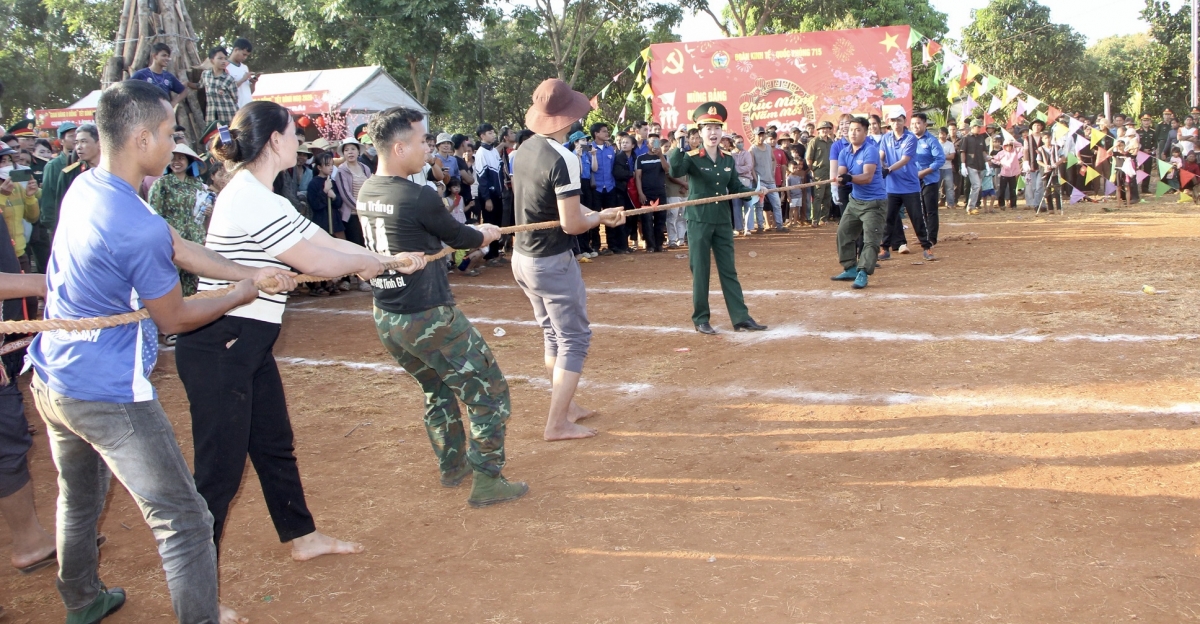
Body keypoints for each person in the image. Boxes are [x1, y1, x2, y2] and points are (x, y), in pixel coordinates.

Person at [30, 79, 298, 624]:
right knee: (185, 518)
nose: (175, 142)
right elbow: (174, 317)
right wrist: (245, 291)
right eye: (169, 132)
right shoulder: (133, 223)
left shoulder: (89, 188)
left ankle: (82, 599)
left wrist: (249, 274)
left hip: (54, 378)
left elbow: (178, 247)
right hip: (108, 393)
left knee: (79, 497)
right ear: (141, 138)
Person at [177, 101, 415, 620]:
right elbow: (314, 261)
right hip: (223, 343)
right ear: (274, 143)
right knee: (218, 474)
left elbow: (323, 241)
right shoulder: (252, 198)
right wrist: (372, 264)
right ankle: (197, 601)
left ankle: (302, 535)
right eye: (293, 133)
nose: (298, 141)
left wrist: (381, 257)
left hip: (245, 341)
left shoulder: (261, 194)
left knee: (273, 444)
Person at [355, 106, 525, 504]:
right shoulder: (417, 195)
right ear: (399, 148)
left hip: (389, 315)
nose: (427, 147)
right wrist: (484, 233)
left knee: (436, 388)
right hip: (428, 314)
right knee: (488, 392)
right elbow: (462, 237)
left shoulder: (368, 189)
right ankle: (488, 480)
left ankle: (452, 465)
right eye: (421, 141)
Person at [510, 79, 625, 440]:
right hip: (552, 261)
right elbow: (572, 223)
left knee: (553, 334)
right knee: (574, 338)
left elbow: (562, 208)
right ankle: (557, 422)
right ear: (568, 117)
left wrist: (598, 214)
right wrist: (597, 218)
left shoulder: (525, 149)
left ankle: (567, 406)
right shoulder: (565, 158)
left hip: (523, 258)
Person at [668, 102, 767, 335]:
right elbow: (674, 171)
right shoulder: (691, 157)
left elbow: (734, 188)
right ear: (699, 132)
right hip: (699, 220)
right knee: (701, 270)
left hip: (722, 221)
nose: (713, 133)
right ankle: (701, 318)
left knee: (728, 270)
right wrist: (676, 144)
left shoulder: (727, 159)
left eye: (716, 127)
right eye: (707, 128)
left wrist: (753, 192)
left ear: (722, 131)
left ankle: (741, 317)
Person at [830, 116, 886, 290]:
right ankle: (850, 267)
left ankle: (863, 272)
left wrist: (849, 178)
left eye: (857, 130)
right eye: (850, 129)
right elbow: (842, 174)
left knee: (870, 240)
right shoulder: (844, 152)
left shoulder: (871, 151)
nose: (852, 133)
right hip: (855, 201)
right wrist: (840, 179)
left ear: (865, 132)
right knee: (843, 233)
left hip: (874, 202)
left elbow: (867, 177)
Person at [147, 144, 209, 297]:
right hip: (172, 241)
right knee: (171, 283)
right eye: (173, 158)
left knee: (194, 284)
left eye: (181, 158)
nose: (176, 162)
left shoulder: (197, 185)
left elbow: (201, 212)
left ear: (189, 162)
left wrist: (208, 211)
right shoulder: (161, 184)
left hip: (195, 240)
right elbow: (155, 215)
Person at [878, 107, 931, 261]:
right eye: (893, 120)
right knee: (889, 218)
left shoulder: (910, 138)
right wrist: (879, 165)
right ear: (889, 122)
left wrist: (887, 169)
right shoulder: (886, 138)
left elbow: (905, 159)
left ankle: (927, 247)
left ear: (904, 121)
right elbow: (880, 155)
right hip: (891, 186)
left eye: (899, 120)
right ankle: (884, 248)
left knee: (917, 218)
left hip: (909, 186)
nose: (896, 123)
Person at [910, 112, 944, 256]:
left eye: (918, 123)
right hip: (913, 179)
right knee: (919, 209)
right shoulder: (909, 139)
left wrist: (925, 172)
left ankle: (932, 238)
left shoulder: (931, 140)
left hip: (929, 179)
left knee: (930, 210)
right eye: (912, 124)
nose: (915, 126)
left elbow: (940, 159)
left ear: (924, 124)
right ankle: (922, 237)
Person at [332, 136, 372, 258]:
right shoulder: (341, 170)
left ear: (358, 151)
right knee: (356, 246)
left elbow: (370, 187)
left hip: (367, 213)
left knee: (368, 245)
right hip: (352, 215)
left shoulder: (365, 168)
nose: (350, 152)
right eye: (347, 150)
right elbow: (345, 194)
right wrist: (360, 208)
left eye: (353, 149)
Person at [473, 123, 505, 263]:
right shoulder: (481, 152)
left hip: (497, 193)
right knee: (489, 224)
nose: (493, 135)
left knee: (497, 224)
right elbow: (482, 178)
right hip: (489, 195)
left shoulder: (493, 151)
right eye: (490, 133)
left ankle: (496, 252)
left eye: (493, 132)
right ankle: (489, 255)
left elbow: (500, 171)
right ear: (482, 136)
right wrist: (487, 198)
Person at [634, 133, 670, 252]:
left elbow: (667, 170)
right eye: (652, 142)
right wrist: (640, 193)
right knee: (647, 220)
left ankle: (659, 244)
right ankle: (650, 245)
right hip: (646, 193)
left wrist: (660, 156)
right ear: (647, 144)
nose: (654, 145)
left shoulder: (663, 156)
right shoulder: (641, 158)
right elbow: (638, 177)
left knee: (661, 219)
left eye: (657, 142)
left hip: (660, 192)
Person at [131, 43, 196, 106]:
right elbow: (127, 89)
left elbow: (183, 91)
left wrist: (173, 103)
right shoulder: (142, 74)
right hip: (146, 113)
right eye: (164, 55)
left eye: (168, 56)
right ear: (154, 56)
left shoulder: (168, 77)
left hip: (164, 114)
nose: (167, 58)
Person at [202, 47, 239, 125]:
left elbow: (235, 99)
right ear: (212, 60)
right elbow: (200, 85)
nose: (223, 61)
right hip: (211, 117)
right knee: (213, 136)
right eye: (220, 58)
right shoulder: (205, 75)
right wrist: (186, 84)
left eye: (225, 58)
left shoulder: (229, 79)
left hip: (228, 116)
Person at [807, 121, 833, 226]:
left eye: (827, 128)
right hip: (819, 171)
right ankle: (815, 219)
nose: (825, 130)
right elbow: (809, 159)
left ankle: (824, 219)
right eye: (823, 128)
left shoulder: (831, 142)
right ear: (818, 130)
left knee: (828, 195)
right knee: (818, 196)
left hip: (830, 172)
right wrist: (813, 171)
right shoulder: (814, 141)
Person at [961, 119, 989, 214]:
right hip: (971, 164)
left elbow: (983, 151)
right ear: (973, 127)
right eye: (978, 127)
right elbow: (963, 152)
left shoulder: (981, 138)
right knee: (976, 186)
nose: (979, 128)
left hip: (981, 165)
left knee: (977, 186)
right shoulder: (966, 138)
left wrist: (987, 161)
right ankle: (971, 206)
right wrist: (963, 164)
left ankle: (972, 206)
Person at [990, 138, 1022, 210]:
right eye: (1007, 145)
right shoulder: (1001, 153)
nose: (1008, 147)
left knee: (1013, 190)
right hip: (1004, 174)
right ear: (1004, 146)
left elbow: (1021, 146)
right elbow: (993, 159)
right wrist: (1000, 163)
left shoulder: (1015, 152)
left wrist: (1012, 141)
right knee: (1002, 190)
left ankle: (1013, 205)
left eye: (1010, 145)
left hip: (1013, 174)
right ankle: (1001, 204)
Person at [226, 38, 257, 110]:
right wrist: (243, 79)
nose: (245, 57)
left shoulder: (244, 67)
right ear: (236, 50)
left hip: (248, 107)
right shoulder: (226, 67)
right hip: (235, 108)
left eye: (247, 56)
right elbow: (227, 89)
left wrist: (253, 83)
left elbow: (250, 91)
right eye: (244, 54)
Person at [938, 127, 956, 208]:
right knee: (936, 186)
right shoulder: (936, 143)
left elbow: (952, 156)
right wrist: (945, 156)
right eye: (941, 134)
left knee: (949, 187)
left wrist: (941, 156)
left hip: (947, 167)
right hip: (937, 168)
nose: (942, 136)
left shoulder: (950, 144)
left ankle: (950, 203)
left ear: (946, 135)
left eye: (944, 134)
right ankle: (936, 202)